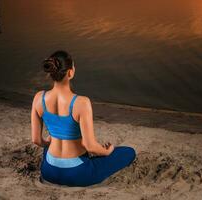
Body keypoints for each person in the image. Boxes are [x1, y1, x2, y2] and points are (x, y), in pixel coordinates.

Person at [31, 50, 136, 187]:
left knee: (49, 145)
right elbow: (90, 146)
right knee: (129, 152)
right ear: (70, 73)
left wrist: (52, 141)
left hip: (49, 171)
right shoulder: (81, 102)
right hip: (78, 173)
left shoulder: (39, 98)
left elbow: (36, 140)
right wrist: (107, 151)